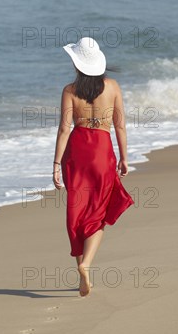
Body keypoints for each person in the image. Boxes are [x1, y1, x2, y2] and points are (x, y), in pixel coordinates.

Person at [52, 37, 135, 297]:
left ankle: (81, 272)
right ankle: (86, 265)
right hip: (101, 150)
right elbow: (120, 125)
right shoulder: (112, 87)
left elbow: (65, 128)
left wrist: (56, 164)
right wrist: (124, 157)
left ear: (77, 64)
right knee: (97, 213)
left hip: (76, 153)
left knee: (77, 211)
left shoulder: (69, 90)